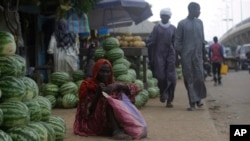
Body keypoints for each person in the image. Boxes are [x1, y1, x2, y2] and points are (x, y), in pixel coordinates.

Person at [73, 59, 141, 140]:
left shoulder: (111, 83)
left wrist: (117, 86)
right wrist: (98, 94)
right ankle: (116, 131)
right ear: (96, 72)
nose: (105, 74)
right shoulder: (87, 85)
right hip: (91, 122)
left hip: (105, 121)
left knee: (120, 93)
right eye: (102, 71)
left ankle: (119, 127)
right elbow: (87, 113)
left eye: (108, 72)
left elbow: (137, 88)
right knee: (107, 98)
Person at [174, 2, 207, 111]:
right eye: (198, 10)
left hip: (198, 56)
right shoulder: (182, 24)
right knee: (189, 78)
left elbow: (202, 39)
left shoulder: (200, 23)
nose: (199, 12)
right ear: (191, 10)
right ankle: (192, 102)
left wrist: (204, 54)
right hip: (186, 56)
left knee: (200, 77)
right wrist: (177, 56)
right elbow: (177, 41)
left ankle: (198, 99)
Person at [147, 8, 177, 108]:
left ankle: (169, 100)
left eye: (166, 16)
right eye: (163, 15)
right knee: (160, 76)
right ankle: (163, 93)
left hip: (170, 54)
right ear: (160, 16)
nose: (165, 17)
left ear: (169, 17)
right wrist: (151, 57)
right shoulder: (156, 28)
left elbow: (176, 43)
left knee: (171, 77)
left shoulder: (173, 28)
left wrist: (177, 57)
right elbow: (151, 42)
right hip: (158, 54)